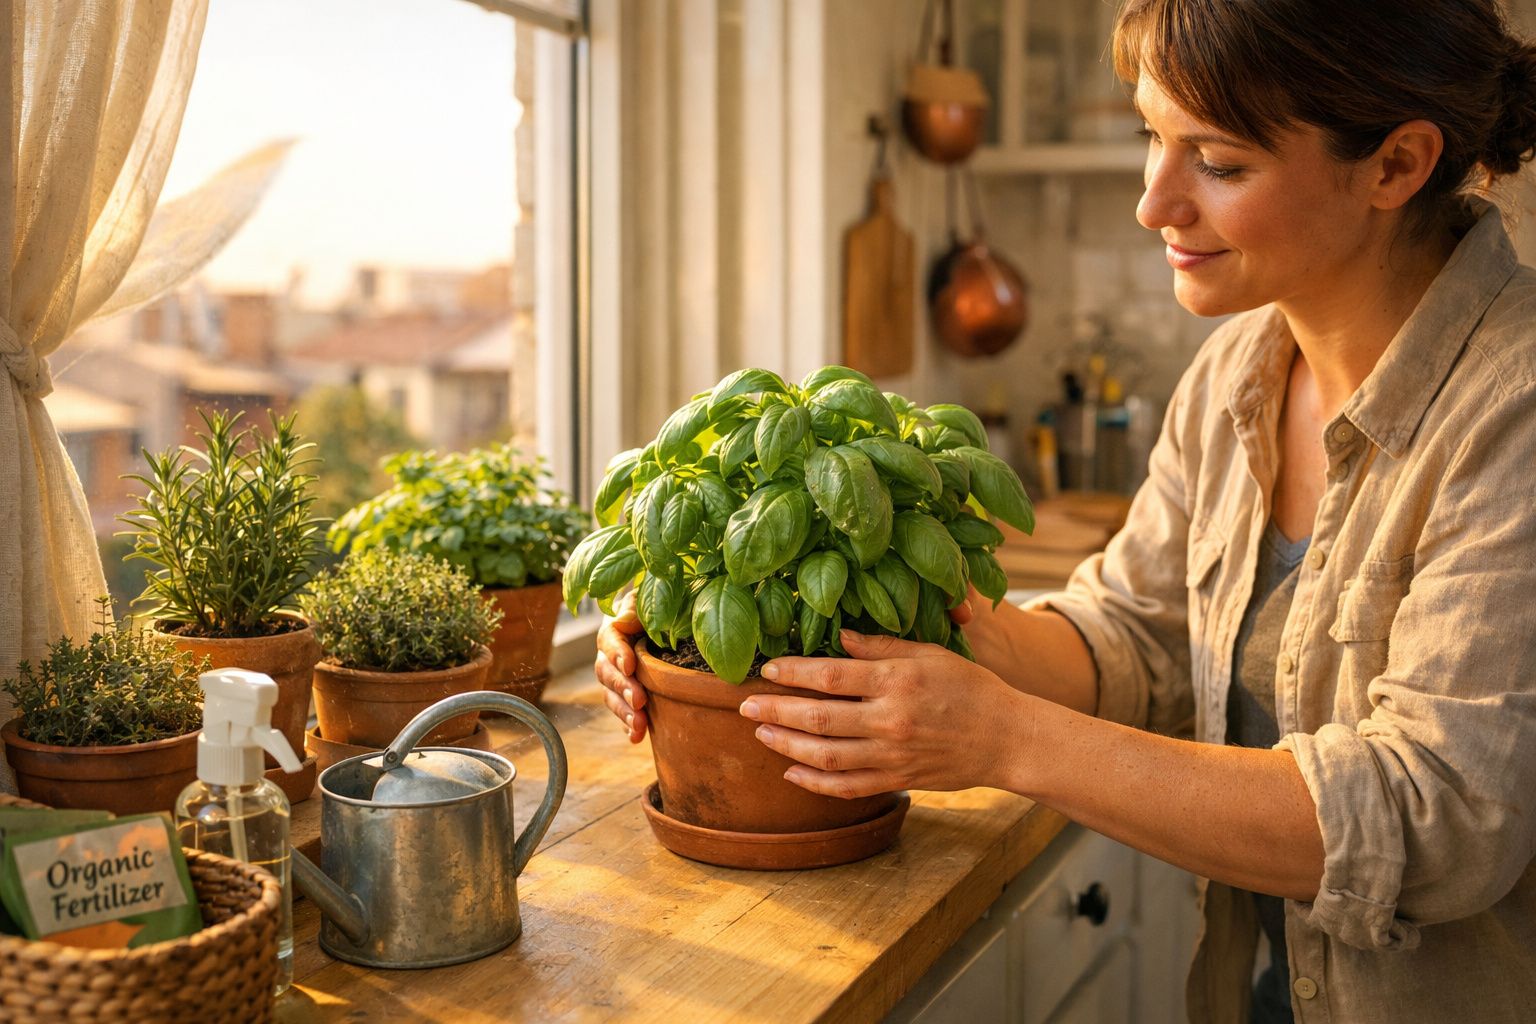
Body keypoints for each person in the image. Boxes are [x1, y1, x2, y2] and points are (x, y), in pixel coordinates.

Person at [596, 1, 1536, 1020]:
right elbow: (1132, 636)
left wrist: (1004, 740)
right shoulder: (1237, 375)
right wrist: (744, 617)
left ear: (1396, 166)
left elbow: (1437, 817)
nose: (1154, 202)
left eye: (1217, 162)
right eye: (1152, 140)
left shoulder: (1513, 411)